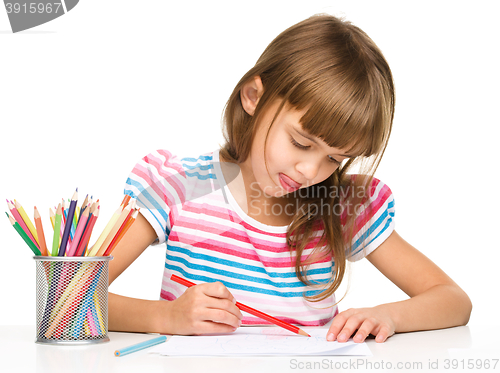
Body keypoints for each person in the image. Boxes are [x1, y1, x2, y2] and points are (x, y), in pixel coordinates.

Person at [108, 14, 472, 343]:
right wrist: (166, 316)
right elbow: (65, 297)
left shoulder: (341, 207)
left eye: (335, 158)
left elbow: (453, 300)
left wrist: (388, 315)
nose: (311, 171)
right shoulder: (181, 186)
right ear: (253, 97)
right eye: (300, 142)